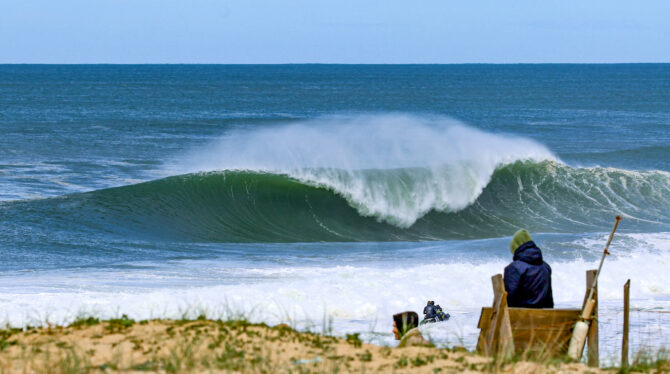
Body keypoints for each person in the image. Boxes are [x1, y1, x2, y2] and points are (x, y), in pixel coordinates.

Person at [504, 229, 554, 308]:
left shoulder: (514, 268)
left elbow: (509, 299)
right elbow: (549, 300)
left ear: (516, 247)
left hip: (520, 318)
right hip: (543, 317)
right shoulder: (546, 267)